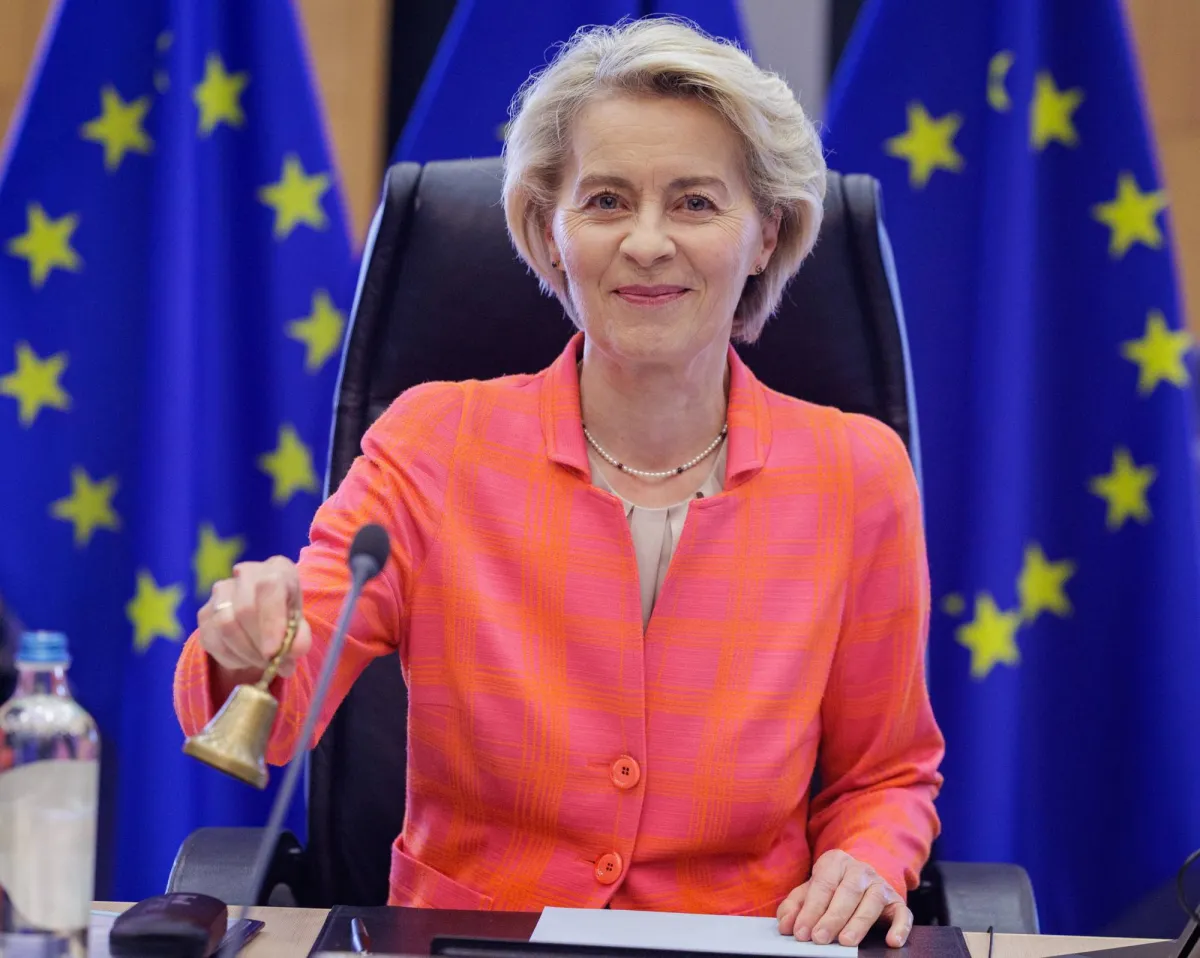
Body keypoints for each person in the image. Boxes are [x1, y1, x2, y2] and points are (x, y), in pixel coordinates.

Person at [174, 16, 944, 947]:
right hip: (468, 943)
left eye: (696, 203)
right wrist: (249, 646)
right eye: (607, 200)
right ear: (549, 231)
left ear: (765, 233)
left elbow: (884, 775)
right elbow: (273, 710)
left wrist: (867, 855)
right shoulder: (433, 444)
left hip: (740, 942)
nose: (648, 242)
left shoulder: (856, 475)